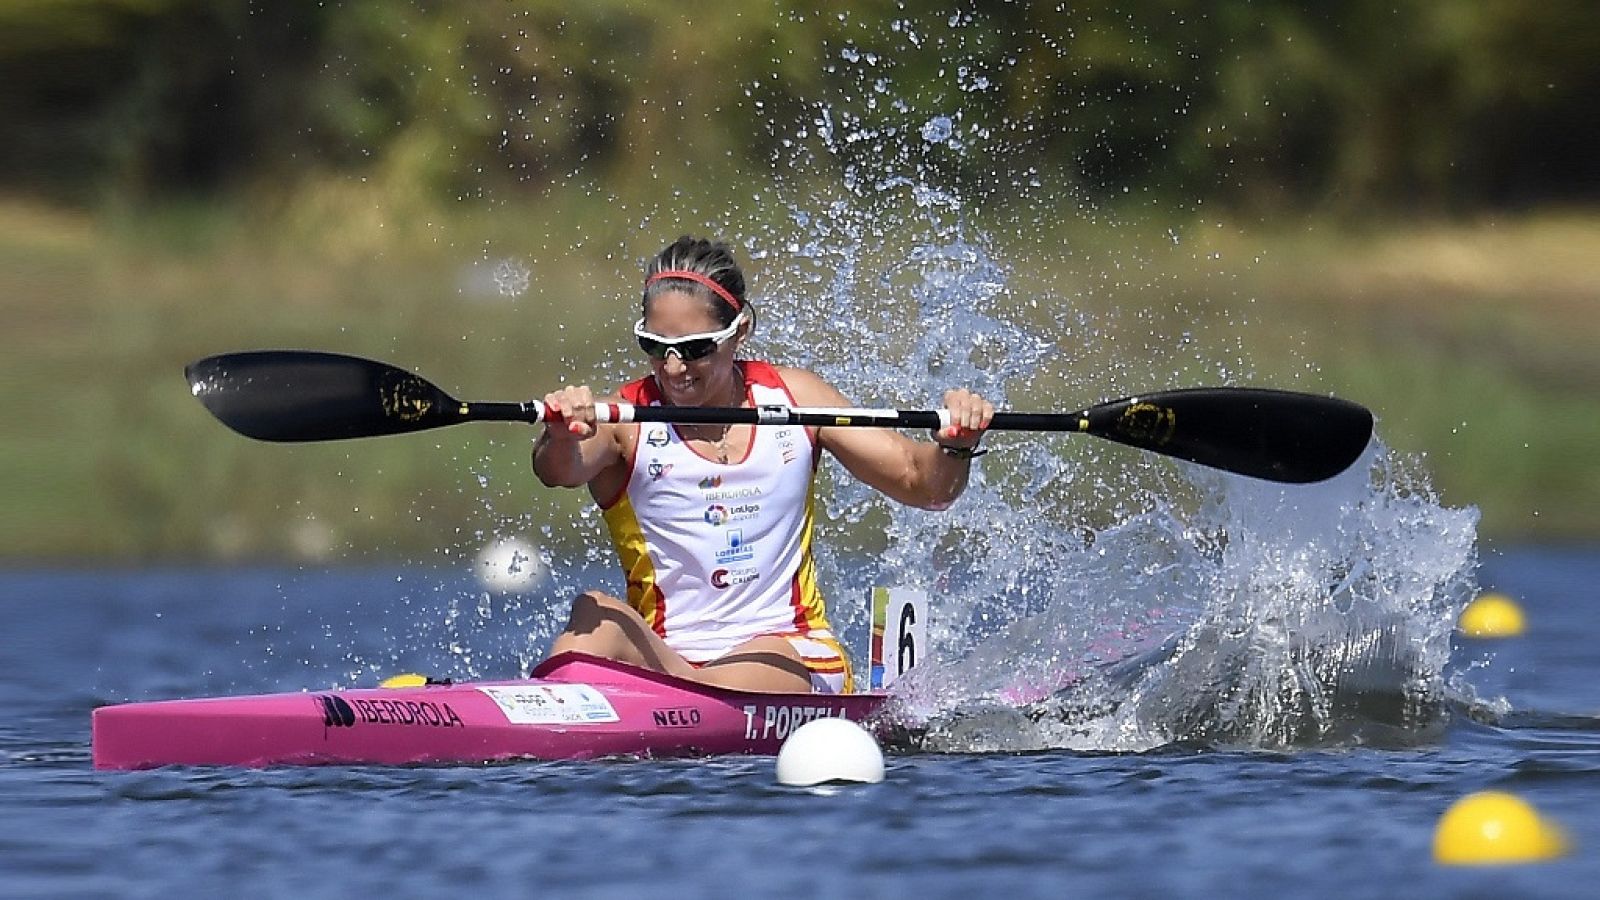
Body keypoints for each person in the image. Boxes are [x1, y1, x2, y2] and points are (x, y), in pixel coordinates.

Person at [532, 236, 992, 694]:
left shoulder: (798, 400)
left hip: (792, 652)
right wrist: (559, 432)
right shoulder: (624, 423)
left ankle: (669, 696)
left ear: (739, 332)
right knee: (595, 612)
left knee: (771, 651)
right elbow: (559, 470)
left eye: (694, 349)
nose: (673, 369)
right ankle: (539, 711)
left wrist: (955, 445)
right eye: (655, 346)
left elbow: (923, 484)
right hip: (668, 657)